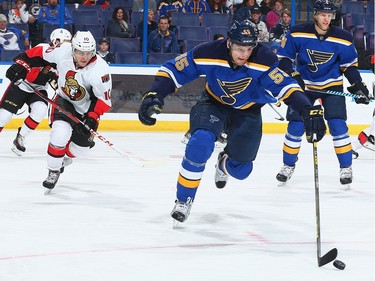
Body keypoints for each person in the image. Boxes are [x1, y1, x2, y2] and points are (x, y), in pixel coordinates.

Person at [138, 20, 325, 223]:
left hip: (248, 111)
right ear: (229, 43)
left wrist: (307, 109)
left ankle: (224, 163)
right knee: (200, 142)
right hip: (213, 104)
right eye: (239, 48)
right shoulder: (208, 52)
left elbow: (285, 86)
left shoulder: (264, 59)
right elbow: (174, 70)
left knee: (242, 170)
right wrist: (154, 93)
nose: (244, 54)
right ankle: (184, 200)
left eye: (249, 48)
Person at [275, 0, 371, 187]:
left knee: (337, 125)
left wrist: (358, 84)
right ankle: (288, 165)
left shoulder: (343, 37)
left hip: (332, 86)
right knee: (296, 126)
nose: (326, 19)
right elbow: (283, 58)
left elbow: (348, 66)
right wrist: (293, 75)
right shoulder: (298, 32)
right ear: (315, 15)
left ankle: (346, 167)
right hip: (304, 87)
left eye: (330, 15)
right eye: (323, 15)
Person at [5, 30, 112, 190]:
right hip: (64, 101)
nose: (84, 57)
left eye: (88, 53)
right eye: (80, 52)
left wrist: (92, 118)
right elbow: (38, 52)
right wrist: (21, 64)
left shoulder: (101, 70)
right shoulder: (63, 52)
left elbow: (103, 100)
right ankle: (53, 170)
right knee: (59, 135)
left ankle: (62, 159)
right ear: (73, 49)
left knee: (81, 150)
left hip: (86, 110)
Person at [0, 28, 71, 156]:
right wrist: (18, 67)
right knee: (4, 116)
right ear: (56, 41)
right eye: (63, 42)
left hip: (38, 89)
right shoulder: (42, 48)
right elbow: (24, 59)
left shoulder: (64, 61)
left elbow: (58, 80)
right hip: (21, 85)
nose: (65, 46)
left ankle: (20, 138)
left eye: (68, 42)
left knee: (40, 110)